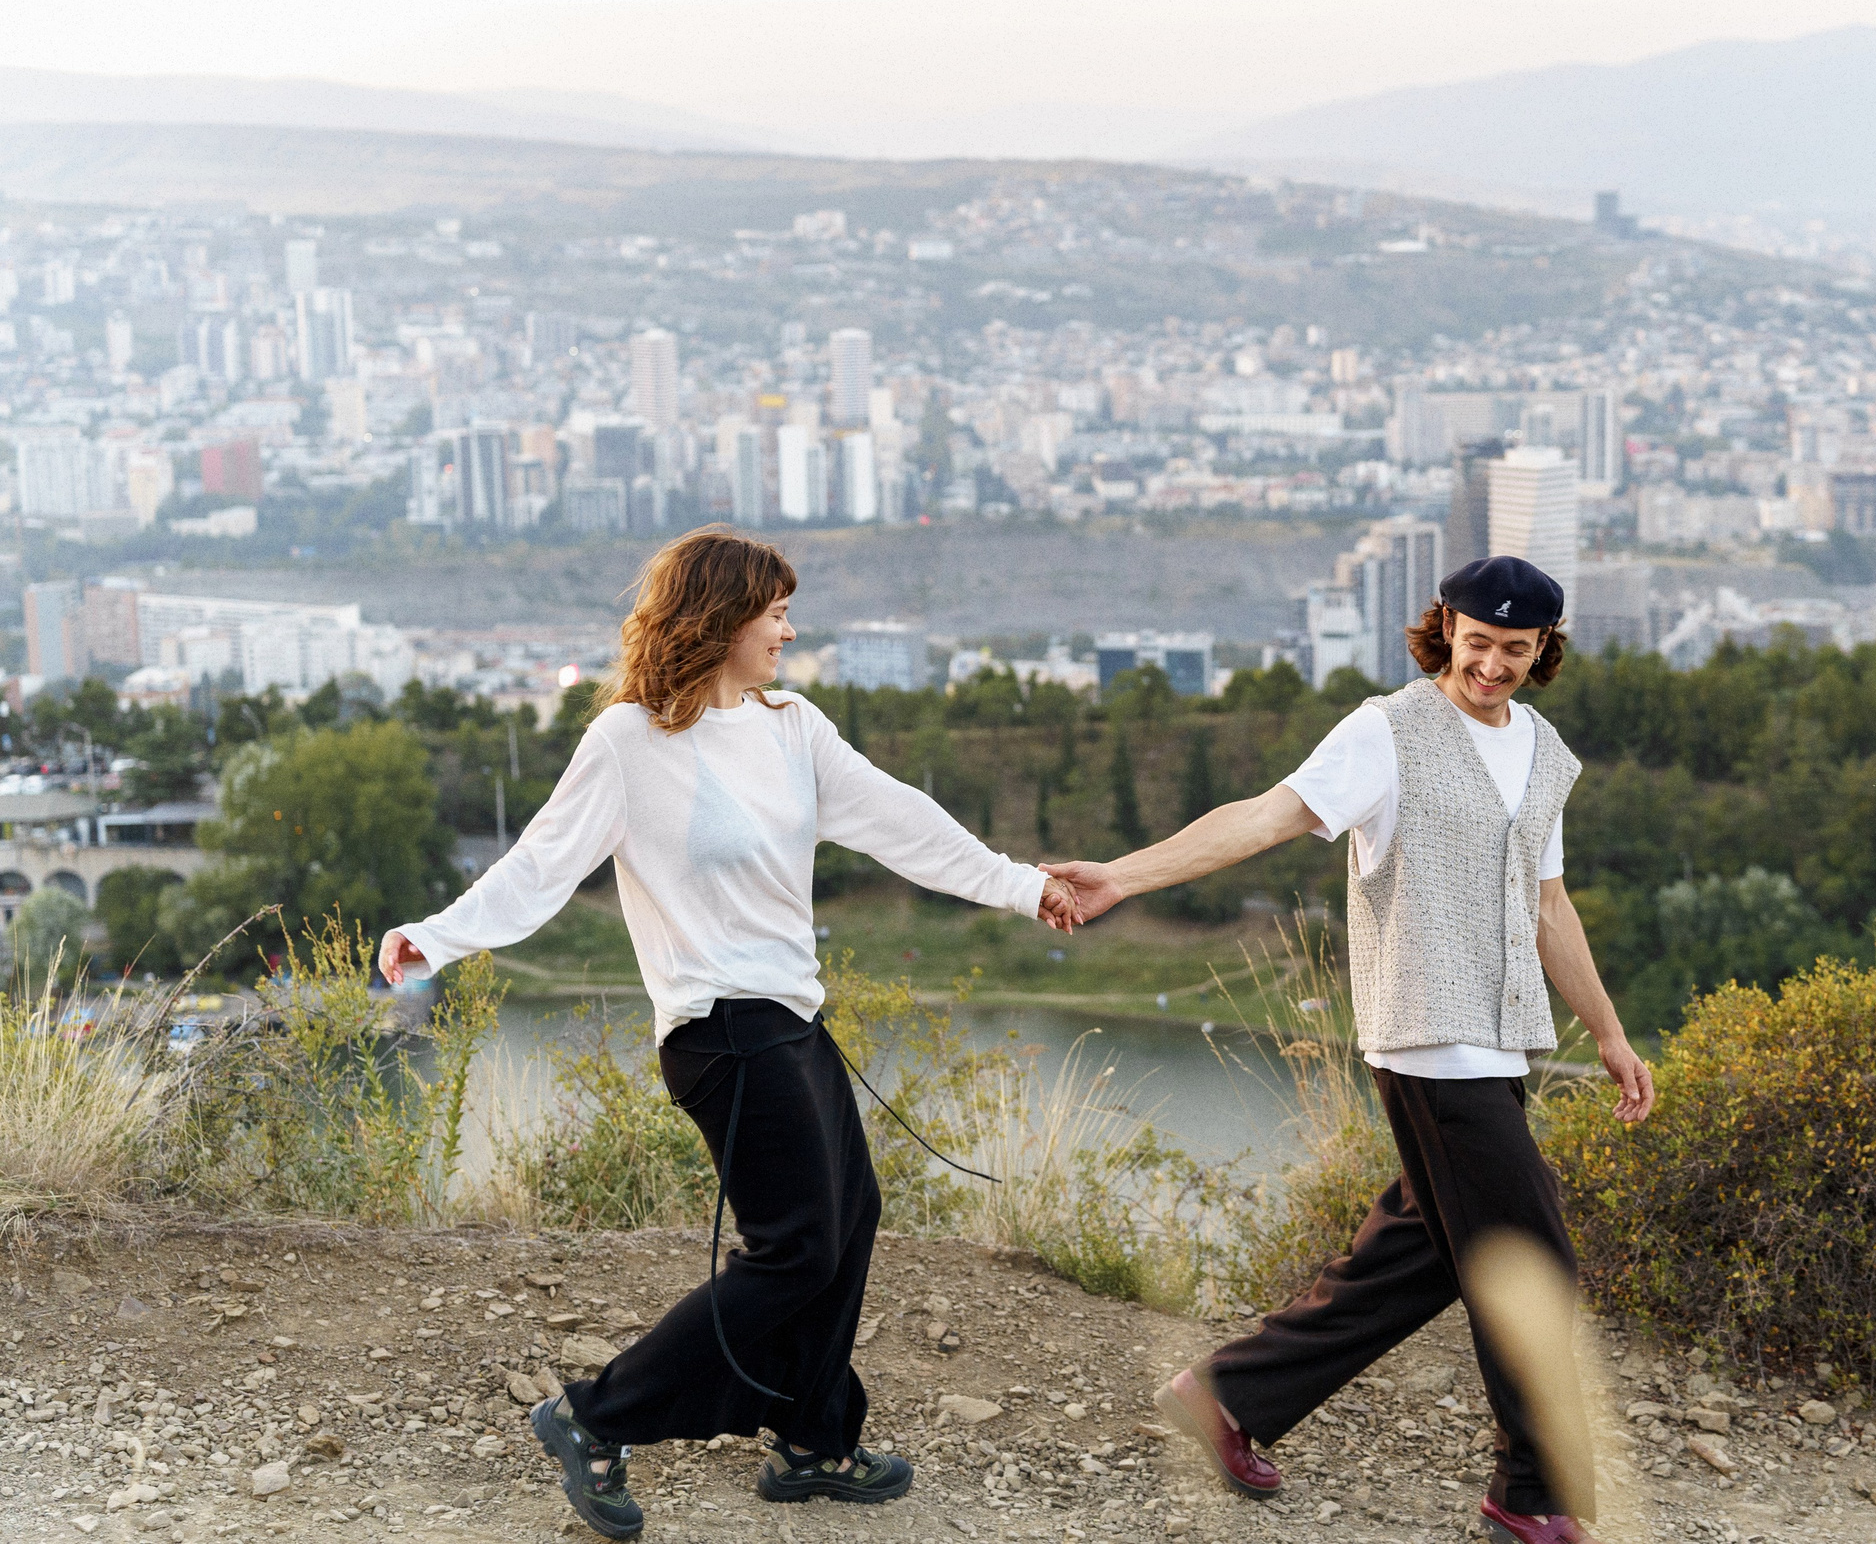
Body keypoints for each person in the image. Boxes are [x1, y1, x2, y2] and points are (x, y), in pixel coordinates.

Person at [378, 525, 1079, 1539]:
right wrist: (435, 939)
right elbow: (540, 866)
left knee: (849, 1221)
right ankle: (592, 1417)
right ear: (719, 618)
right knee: (795, 1249)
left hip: (791, 1015)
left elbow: (903, 822)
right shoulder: (629, 741)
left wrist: (1022, 886)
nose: (790, 631)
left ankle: (813, 1438)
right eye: (776, 611)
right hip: (718, 1030)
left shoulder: (792, 727)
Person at [1043, 554, 1655, 1544]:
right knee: (1528, 1260)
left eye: (1515, 648)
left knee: (1419, 1248)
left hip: (1503, 1043)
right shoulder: (1387, 732)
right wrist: (1123, 876)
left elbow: (1548, 907)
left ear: (1544, 648)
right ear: (1442, 627)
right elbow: (1264, 817)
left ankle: (1226, 1399)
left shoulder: (1542, 751)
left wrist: (1610, 1033)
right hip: (1426, 1038)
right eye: (1477, 642)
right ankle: (1530, 1494)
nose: (1491, 665)